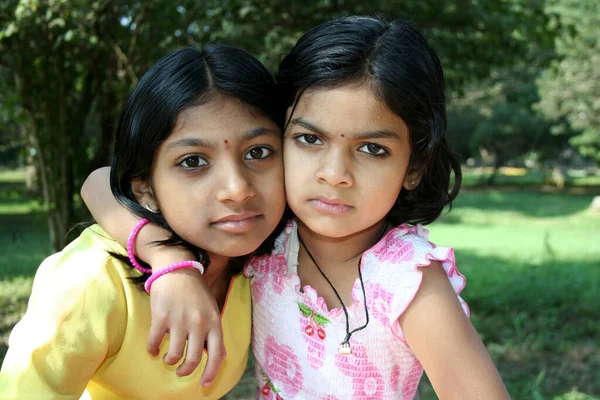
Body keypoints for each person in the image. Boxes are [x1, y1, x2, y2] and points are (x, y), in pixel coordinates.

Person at [82, 16, 510, 399]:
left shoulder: (409, 283)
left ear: (413, 166)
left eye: (372, 148)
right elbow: (99, 184)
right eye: (310, 139)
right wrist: (169, 262)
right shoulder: (267, 239)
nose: (334, 173)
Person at [0, 45, 287, 400]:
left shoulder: (268, 264)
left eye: (257, 152)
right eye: (193, 161)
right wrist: (173, 264)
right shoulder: (94, 281)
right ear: (145, 188)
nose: (237, 190)